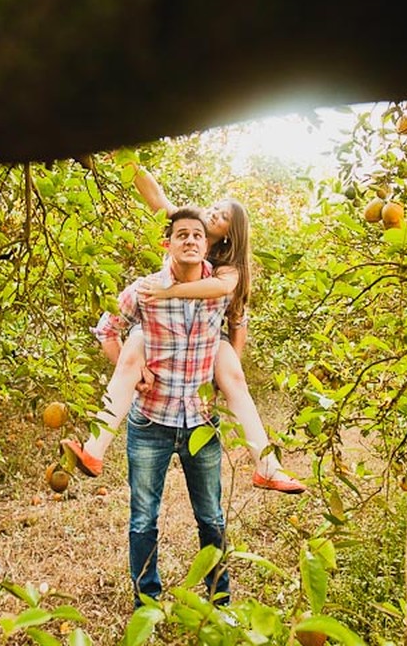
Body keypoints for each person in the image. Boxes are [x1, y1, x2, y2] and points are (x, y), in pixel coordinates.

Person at [62, 166, 306, 494]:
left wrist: (230, 363)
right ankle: (93, 450)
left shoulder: (227, 269)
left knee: (235, 378)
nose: (211, 214)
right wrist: (130, 163)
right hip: (160, 324)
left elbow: (234, 316)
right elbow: (154, 193)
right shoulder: (187, 226)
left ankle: (267, 467)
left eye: (219, 217)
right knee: (132, 355)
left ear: (226, 235)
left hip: (206, 335)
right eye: (214, 207)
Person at [108, 206, 232, 604]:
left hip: (201, 423)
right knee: (144, 518)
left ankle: (219, 600)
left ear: (206, 244)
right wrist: (134, 371)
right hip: (151, 423)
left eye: (198, 234)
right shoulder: (143, 289)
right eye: (182, 234)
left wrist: (230, 374)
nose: (191, 240)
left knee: (211, 518)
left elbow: (240, 321)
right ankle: (147, 600)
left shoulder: (219, 288)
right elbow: (107, 329)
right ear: (169, 242)